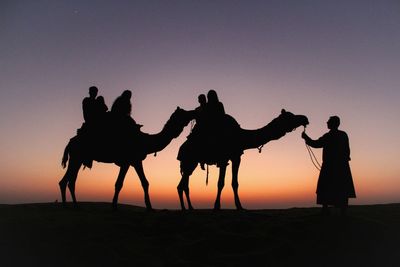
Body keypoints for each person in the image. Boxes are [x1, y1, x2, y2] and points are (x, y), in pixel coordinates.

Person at [301, 116, 356, 216]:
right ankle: (342, 211)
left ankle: (325, 209)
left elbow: (316, 144)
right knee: (341, 187)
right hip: (342, 166)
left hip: (329, 166)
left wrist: (306, 138)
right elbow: (347, 150)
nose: (327, 123)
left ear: (332, 124)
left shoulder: (328, 136)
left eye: (328, 122)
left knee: (325, 187)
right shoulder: (343, 135)